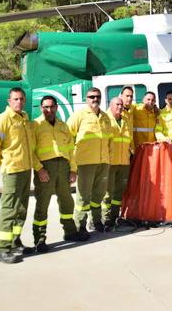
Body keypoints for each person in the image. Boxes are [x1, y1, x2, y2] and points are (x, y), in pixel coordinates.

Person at [31, 95, 87, 254]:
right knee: (42, 204)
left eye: (51, 107)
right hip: (45, 168)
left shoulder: (63, 126)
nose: (49, 110)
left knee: (67, 201)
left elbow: (71, 149)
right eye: (45, 107)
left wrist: (73, 169)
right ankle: (39, 240)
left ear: (56, 107)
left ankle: (70, 232)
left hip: (63, 167)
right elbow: (30, 150)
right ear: (41, 108)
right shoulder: (35, 125)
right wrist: (39, 169)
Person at [0, 87, 36, 264]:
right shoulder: (2, 120)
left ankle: (15, 242)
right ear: (9, 101)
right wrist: (4, 163)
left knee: (21, 208)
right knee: (9, 209)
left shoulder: (24, 118)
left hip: (25, 169)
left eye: (21, 99)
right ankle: (2, 248)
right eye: (15, 99)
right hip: (12, 171)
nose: (19, 102)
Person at [67, 87, 113, 235]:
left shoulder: (105, 117)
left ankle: (95, 221)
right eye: (92, 97)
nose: (95, 99)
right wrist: (71, 161)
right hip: (86, 162)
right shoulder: (79, 115)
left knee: (99, 194)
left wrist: (108, 158)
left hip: (103, 161)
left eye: (97, 96)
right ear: (87, 99)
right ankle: (79, 225)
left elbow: (110, 140)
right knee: (84, 196)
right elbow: (67, 136)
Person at [103, 97, 134, 230]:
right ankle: (105, 218)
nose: (120, 107)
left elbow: (130, 140)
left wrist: (133, 152)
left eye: (121, 105)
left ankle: (115, 217)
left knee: (119, 192)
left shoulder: (126, 120)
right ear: (111, 106)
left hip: (124, 162)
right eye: (117, 104)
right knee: (107, 192)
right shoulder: (105, 119)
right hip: (110, 162)